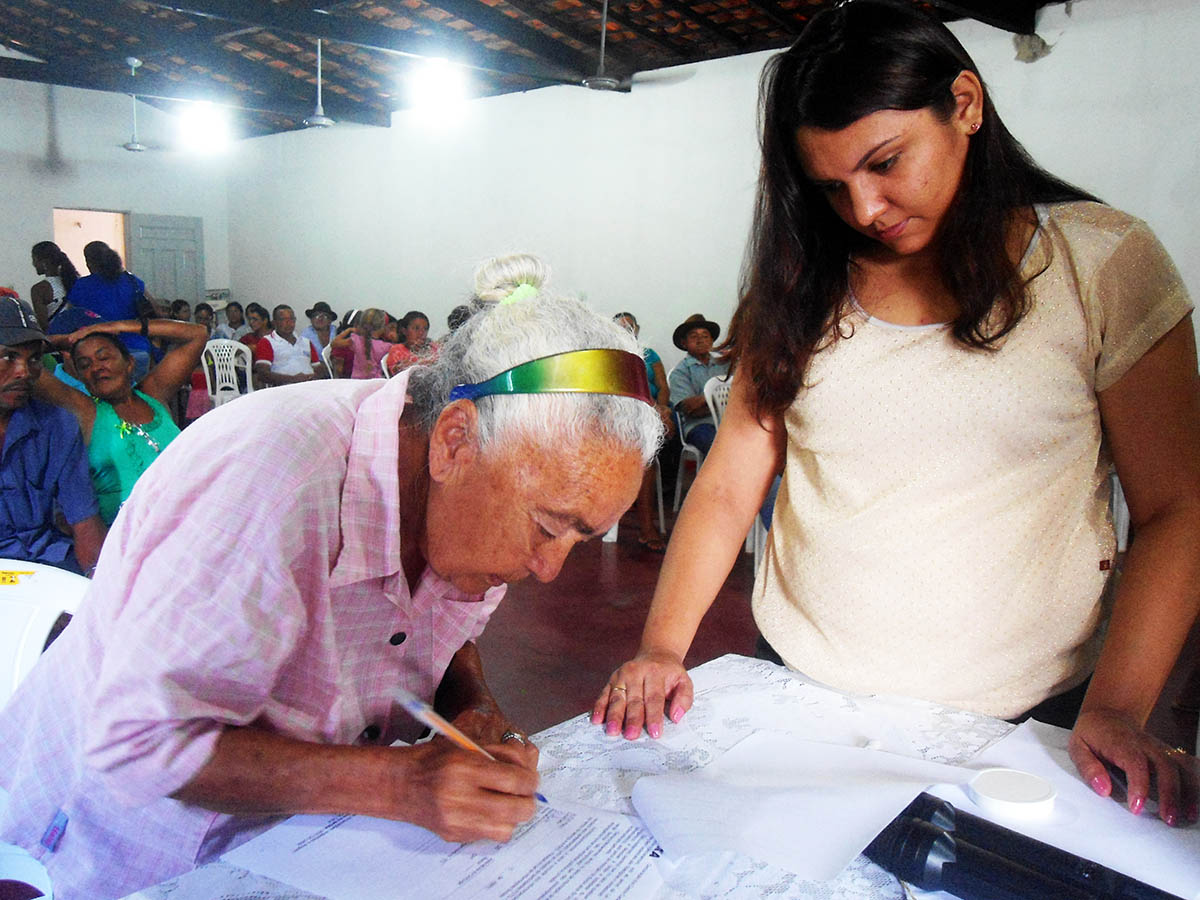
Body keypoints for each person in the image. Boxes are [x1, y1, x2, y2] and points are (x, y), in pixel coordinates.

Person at [593, 0, 1200, 829]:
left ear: (966, 104)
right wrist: (662, 648)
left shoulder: (1099, 264)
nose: (867, 209)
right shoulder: (802, 286)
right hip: (802, 695)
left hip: (1023, 717)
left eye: (885, 161)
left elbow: (1176, 508)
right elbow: (731, 488)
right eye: (833, 187)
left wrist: (1120, 707)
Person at [0, 253, 662, 899]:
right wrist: (398, 783)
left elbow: (439, 622)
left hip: (284, 838)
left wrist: (472, 704)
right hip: (119, 850)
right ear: (455, 440)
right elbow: (138, 740)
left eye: (582, 535)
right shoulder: (268, 483)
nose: (548, 569)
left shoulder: (464, 492)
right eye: (549, 527)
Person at [34, 317, 209, 525]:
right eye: (85, 364)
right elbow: (23, 361)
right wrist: (64, 341)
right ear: (81, 377)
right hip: (128, 539)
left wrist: (117, 327)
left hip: (187, 521)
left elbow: (197, 334)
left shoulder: (153, 394)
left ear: (129, 363)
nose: (96, 367)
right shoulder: (87, 412)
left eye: (104, 357)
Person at [0, 292, 106, 574]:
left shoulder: (57, 426)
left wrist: (96, 594)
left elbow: (85, 522)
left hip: (48, 567)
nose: (24, 371)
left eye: (34, 359)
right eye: (9, 356)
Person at [615, 312, 675, 551]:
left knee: (664, 440)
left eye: (630, 327)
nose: (626, 331)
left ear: (638, 329)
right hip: (628, 414)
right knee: (647, 454)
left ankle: (663, 494)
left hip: (656, 412)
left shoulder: (650, 355)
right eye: (621, 328)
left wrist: (664, 408)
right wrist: (656, 410)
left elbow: (663, 386)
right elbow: (632, 391)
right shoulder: (614, 355)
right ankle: (646, 527)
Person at [65, 241, 158, 381]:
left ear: (89, 262)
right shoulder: (132, 281)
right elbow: (154, 308)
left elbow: (70, 317)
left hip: (100, 354)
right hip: (138, 349)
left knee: (105, 398)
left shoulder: (82, 285)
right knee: (139, 397)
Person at [666, 313, 728, 455]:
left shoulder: (725, 364)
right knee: (718, 446)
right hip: (701, 426)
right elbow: (690, 409)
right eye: (694, 336)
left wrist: (703, 401)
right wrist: (722, 399)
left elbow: (742, 394)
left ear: (712, 341)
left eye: (705, 336)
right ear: (684, 343)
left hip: (729, 423)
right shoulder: (680, 372)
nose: (700, 340)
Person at [252, 305, 327, 387]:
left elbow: (318, 368)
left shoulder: (306, 342)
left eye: (292, 319)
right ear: (274, 323)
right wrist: (294, 379)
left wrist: (313, 377)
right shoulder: (267, 342)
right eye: (283, 319)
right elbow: (263, 375)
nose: (289, 323)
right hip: (284, 388)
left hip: (309, 386)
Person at [29, 241, 80, 330]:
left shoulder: (39, 289)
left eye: (34, 259)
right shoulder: (76, 281)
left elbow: (44, 325)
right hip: (76, 333)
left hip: (56, 337)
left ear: (44, 262)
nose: (33, 264)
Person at [329, 306, 391, 379]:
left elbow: (333, 343)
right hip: (375, 382)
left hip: (355, 381)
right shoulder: (386, 346)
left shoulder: (355, 340)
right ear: (382, 327)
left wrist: (348, 330)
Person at [385, 310, 437, 375]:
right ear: (404, 331)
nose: (421, 333)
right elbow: (396, 373)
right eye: (416, 328)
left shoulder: (432, 348)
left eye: (425, 329)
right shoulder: (397, 350)